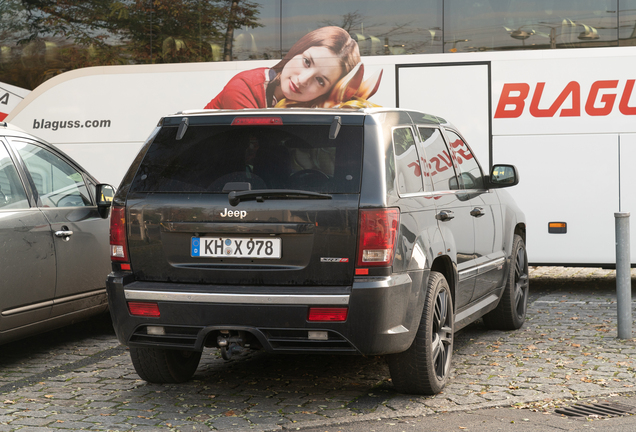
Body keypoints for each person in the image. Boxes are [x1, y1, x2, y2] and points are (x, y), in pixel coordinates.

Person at [204, 26, 361, 109]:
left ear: (329, 91)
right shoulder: (245, 88)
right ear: (296, 51)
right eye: (306, 62)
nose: (302, 80)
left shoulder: (317, 106)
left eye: (320, 80)